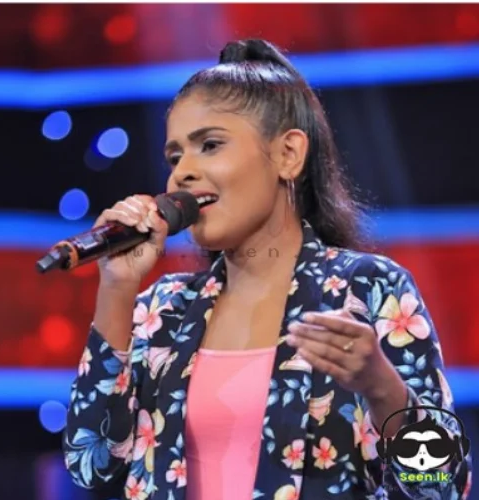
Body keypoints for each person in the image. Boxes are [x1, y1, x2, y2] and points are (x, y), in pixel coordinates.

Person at [63, 39, 472, 500]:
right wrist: (117, 288)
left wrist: (381, 387)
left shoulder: (368, 290)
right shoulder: (163, 310)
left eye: (210, 145)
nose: (182, 173)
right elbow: (89, 466)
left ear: (288, 154)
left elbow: (443, 488)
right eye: (175, 157)